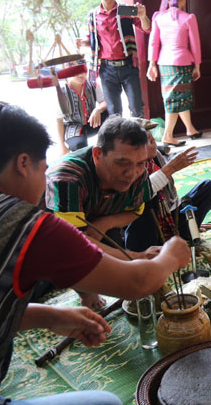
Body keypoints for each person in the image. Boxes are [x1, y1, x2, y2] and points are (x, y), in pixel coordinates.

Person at [0, 102, 189, 405]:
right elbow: (136, 284)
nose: (45, 180)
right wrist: (170, 254)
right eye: (43, 166)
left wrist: (49, 316)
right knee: (105, 403)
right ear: (23, 164)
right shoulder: (26, 224)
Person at [46, 116, 170, 308]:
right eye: (122, 163)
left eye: (140, 163)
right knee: (46, 277)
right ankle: (85, 292)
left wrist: (105, 223)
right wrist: (137, 257)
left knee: (110, 239)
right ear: (97, 155)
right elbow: (75, 243)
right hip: (50, 233)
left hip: (96, 217)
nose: (132, 173)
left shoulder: (139, 171)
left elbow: (136, 211)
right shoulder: (68, 177)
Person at [124, 118, 211, 252]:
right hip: (144, 228)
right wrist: (170, 169)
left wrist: (189, 220)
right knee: (148, 203)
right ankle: (155, 247)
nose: (154, 142)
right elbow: (139, 194)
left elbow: (171, 196)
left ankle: (184, 233)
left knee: (207, 187)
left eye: (152, 138)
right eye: (147, 140)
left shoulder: (156, 157)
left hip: (167, 218)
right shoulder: (128, 167)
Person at [76, 0, 150, 118]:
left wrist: (143, 16)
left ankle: (142, 140)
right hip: (106, 69)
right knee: (114, 112)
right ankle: (119, 141)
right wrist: (83, 42)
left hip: (129, 66)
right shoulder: (93, 14)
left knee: (136, 108)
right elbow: (93, 39)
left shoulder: (126, 10)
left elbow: (147, 29)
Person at [147, 0, 203, 146]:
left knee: (178, 97)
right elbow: (195, 44)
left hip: (164, 63)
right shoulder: (188, 18)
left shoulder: (158, 17)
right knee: (175, 99)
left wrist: (152, 64)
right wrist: (197, 65)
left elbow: (153, 43)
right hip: (181, 62)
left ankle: (190, 129)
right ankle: (167, 135)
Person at [56, 64, 108, 155]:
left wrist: (97, 110)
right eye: (76, 72)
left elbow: (104, 101)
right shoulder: (62, 92)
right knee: (80, 147)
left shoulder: (92, 83)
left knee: (112, 114)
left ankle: (107, 150)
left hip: (92, 121)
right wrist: (62, 146)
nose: (81, 75)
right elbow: (59, 120)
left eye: (83, 71)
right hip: (73, 127)